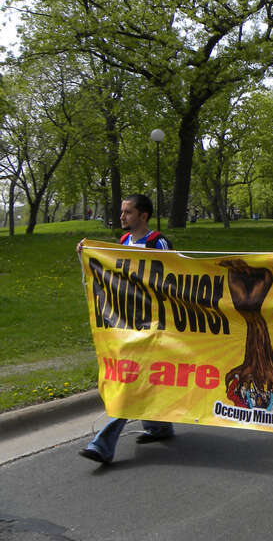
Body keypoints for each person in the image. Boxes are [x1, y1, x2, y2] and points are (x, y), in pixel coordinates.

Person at [77, 194, 175, 464]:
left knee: (130, 380)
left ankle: (103, 445)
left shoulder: (157, 242)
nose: (122, 217)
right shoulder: (123, 242)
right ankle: (159, 427)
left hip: (153, 324)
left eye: (128, 212)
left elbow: (174, 278)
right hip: (126, 322)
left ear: (143, 216)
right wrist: (88, 255)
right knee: (146, 377)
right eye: (122, 212)